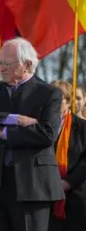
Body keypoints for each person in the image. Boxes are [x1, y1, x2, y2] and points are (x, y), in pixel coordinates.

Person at [0, 37, 63, 231]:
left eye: (7, 64)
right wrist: (16, 119)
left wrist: (3, 133)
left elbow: (47, 133)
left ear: (27, 65)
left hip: (31, 184)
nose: (1, 68)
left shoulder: (49, 93)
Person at [47, 80, 86, 231]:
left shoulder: (82, 127)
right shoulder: (41, 126)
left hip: (74, 197)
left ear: (68, 102)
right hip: (46, 195)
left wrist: (68, 182)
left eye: (57, 99)